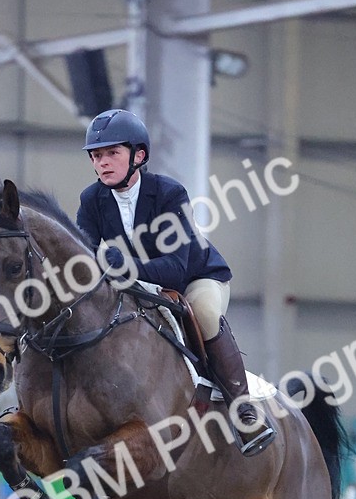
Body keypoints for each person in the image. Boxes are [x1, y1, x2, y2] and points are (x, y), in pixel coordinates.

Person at [76, 108, 274, 456]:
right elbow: (87, 259)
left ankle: (244, 410)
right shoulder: (91, 200)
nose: (102, 162)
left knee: (205, 313)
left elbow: (174, 270)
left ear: (139, 155)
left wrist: (125, 266)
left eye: (111, 153)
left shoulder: (169, 194)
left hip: (194, 278)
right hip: (137, 285)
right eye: (96, 155)